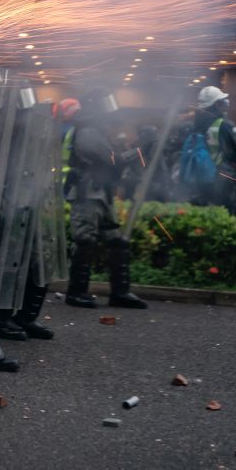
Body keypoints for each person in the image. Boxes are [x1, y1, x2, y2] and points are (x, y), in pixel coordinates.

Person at [61, 93, 148, 310]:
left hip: (102, 193)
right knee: (86, 241)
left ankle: (120, 292)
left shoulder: (97, 130)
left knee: (116, 241)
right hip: (88, 193)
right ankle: (77, 292)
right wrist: (138, 149)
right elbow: (112, 160)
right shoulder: (87, 132)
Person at [186, 86, 236, 214]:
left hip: (201, 179)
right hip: (221, 180)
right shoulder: (223, 125)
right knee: (225, 216)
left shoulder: (195, 125)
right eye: (223, 102)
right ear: (217, 104)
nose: (226, 105)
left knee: (204, 215)